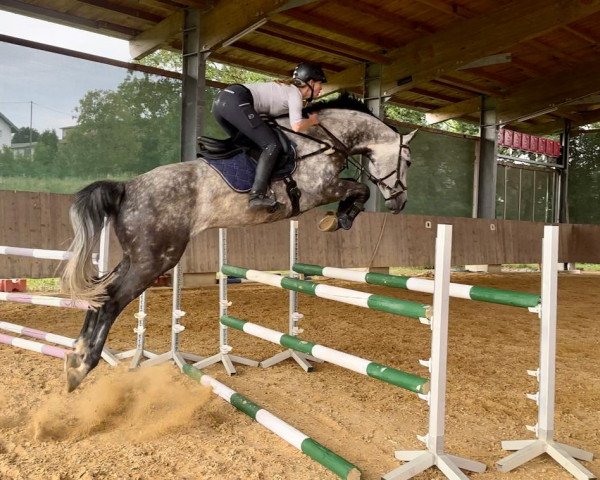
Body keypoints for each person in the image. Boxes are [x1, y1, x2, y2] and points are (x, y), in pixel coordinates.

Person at [212, 62, 327, 209]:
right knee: (272, 145)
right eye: (319, 84)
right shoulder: (294, 94)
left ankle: (243, 185)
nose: (321, 88)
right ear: (310, 82)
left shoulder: (287, 91)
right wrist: (311, 121)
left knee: (250, 145)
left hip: (222, 103)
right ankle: (257, 195)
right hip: (236, 101)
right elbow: (297, 126)